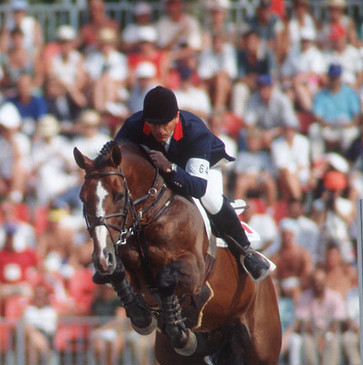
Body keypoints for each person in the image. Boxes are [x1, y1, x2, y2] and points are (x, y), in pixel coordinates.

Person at [114, 85, 274, 282]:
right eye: (154, 125)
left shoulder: (195, 131)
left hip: (203, 164)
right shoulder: (134, 125)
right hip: (162, 166)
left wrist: (171, 168)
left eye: (166, 124)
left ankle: (246, 252)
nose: (160, 130)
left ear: (177, 116)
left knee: (211, 200)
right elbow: (114, 157)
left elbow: (197, 187)